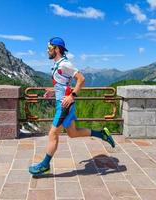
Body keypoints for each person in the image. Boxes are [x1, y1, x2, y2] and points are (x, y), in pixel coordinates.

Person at [29, 37, 116, 175]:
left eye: (49, 48)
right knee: (72, 133)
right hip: (63, 102)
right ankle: (102, 134)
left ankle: (45, 165)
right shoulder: (58, 64)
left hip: (64, 105)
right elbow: (63, 84)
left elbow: (81, 79)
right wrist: (53, 92)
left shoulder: (65, 64)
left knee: (52, 134)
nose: (47, 51)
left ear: (56, 49)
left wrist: (72, 96)